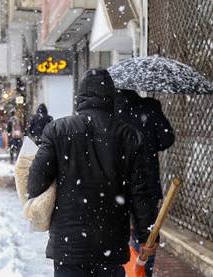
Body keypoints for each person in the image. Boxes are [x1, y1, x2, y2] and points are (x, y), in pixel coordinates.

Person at [27, 69, 158, 277]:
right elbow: (141, 193)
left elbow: (35, 184)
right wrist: (148, 236)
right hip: (110, 245)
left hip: (69, 246)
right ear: (111, 98)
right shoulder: (130, 136)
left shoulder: (57, 131)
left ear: (80, 97)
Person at [115, 89, 175, 277]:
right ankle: (142, 271)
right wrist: (150, 139)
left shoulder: (112, 111)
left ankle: (123, 269)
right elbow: (167, 139)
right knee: (147, 232)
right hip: (147, 180)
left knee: (119, 229)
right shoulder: (150, 107)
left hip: (118, 183)